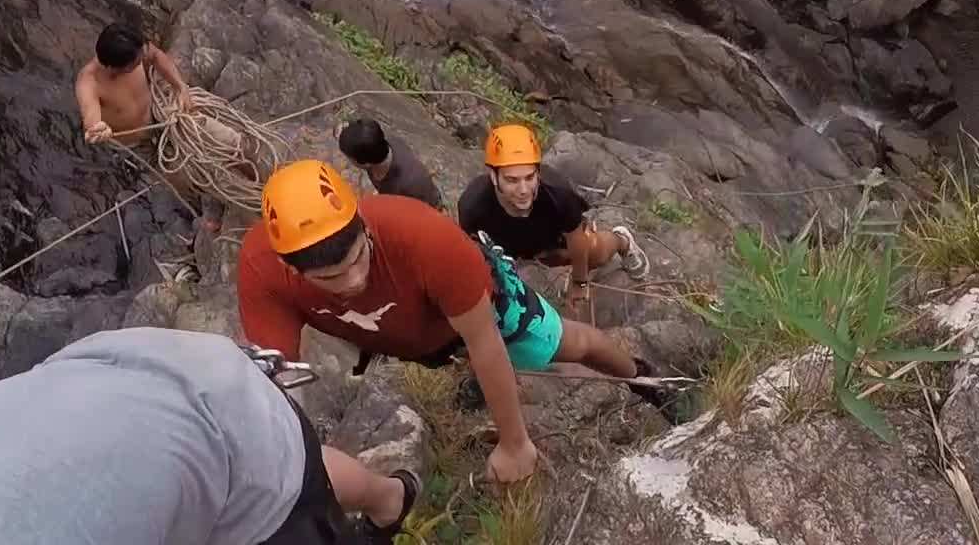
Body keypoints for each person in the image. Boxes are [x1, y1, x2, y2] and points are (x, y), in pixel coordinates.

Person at [237, 160, 670, 486]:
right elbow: (277, 389)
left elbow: (484, 339)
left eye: (358, 260)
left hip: (483, 310)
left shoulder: (425, 239)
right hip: (416, 335)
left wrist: (515, 443)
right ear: (290, 269)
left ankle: (643, 378)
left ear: (364, 227)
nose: (353, 282)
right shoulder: (263, 272)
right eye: (330, 278)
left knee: (573, 345)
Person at [0, 326, 418, 544]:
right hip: (87, 371)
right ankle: (389, 496)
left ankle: (392, 500)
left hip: (216, 428)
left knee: (274, 490)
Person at [457, 125, 647, 319]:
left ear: (538, 172)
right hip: (510, 247)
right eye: (512, 180)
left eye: (530, 177)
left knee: (592, 253)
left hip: (551, 239)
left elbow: (576, 239)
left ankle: (621, 240)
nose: (523, 190)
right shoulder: (474, 206)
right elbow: (471, 253)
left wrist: (579, 282)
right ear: (493, 176)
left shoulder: (558, 194)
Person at [75, 21, 195, 149]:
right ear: (117, 68)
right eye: (137, 62)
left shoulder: (135, 48)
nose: (143, 58)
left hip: (157, 121)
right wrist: (99, 130)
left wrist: (180, 87)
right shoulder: (89, 83)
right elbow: (91, 123)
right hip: (129, 148)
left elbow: (155, 55)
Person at [337, 119, 442, 210]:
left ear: (365, 163)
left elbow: (431, 206)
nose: (348, 160)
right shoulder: (378, 144)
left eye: (349, 158)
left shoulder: (411, 181)